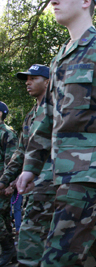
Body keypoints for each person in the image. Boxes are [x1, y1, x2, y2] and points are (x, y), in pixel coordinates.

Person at [16, 0, 96, 266]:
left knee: (57, 258)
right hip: (63, 175)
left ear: (86, 2)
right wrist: (31, 165)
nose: (53, 1)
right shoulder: (60, 57)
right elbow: (48, 118)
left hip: (91, 176)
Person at [0, 64, 56, 267]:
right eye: (27, 79)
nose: (28, 82)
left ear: (48, 82)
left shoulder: (60, 110)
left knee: (32, 241)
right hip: (34, 187)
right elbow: (21, 152)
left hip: (54, 185)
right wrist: (5, 180)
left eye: (34, 78)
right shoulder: (31, 115)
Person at [0, 101, 18, 267]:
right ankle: (11, 251)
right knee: (4, 218)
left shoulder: (7, 133)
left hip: (2, 183)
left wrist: (9, 184)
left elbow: (12, 160)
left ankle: (7, 249)